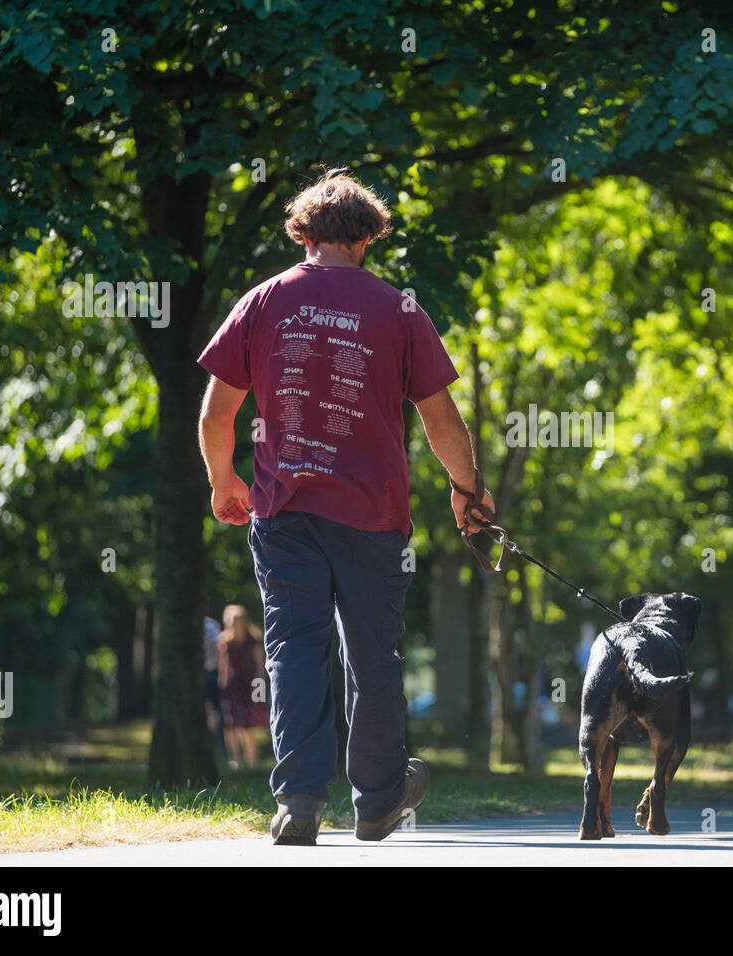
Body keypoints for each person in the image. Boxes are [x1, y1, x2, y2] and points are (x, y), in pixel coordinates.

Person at [196, 167, 495, 845]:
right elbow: (441, 421)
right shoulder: (400, 309)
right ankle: (379, 798)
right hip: (371, 514)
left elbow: (218, 413)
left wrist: (224, 482)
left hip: (284, 510)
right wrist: (469, 492)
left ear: (304, 232)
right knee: (372, 653)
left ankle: (300, 799)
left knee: (294, 649)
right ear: (367, 238)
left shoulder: (262, 301)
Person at [217, 604, 269, 769]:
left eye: (238, 621)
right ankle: (235, 760)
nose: (235, 624)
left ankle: (251, 759)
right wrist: (221, 683)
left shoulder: (253, 640)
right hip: (231, 686)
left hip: (249, 685)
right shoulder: (225, 641)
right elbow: (222, 665)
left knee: (246, 725)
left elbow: (260, 665)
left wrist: (259, 687)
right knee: (231, 723)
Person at [202, 615, 227, 761]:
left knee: (213, 710)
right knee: (214, 711)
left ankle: (215, 746)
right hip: (211, 671)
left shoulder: (210, 625)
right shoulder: (212, 625)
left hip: (209, 673)